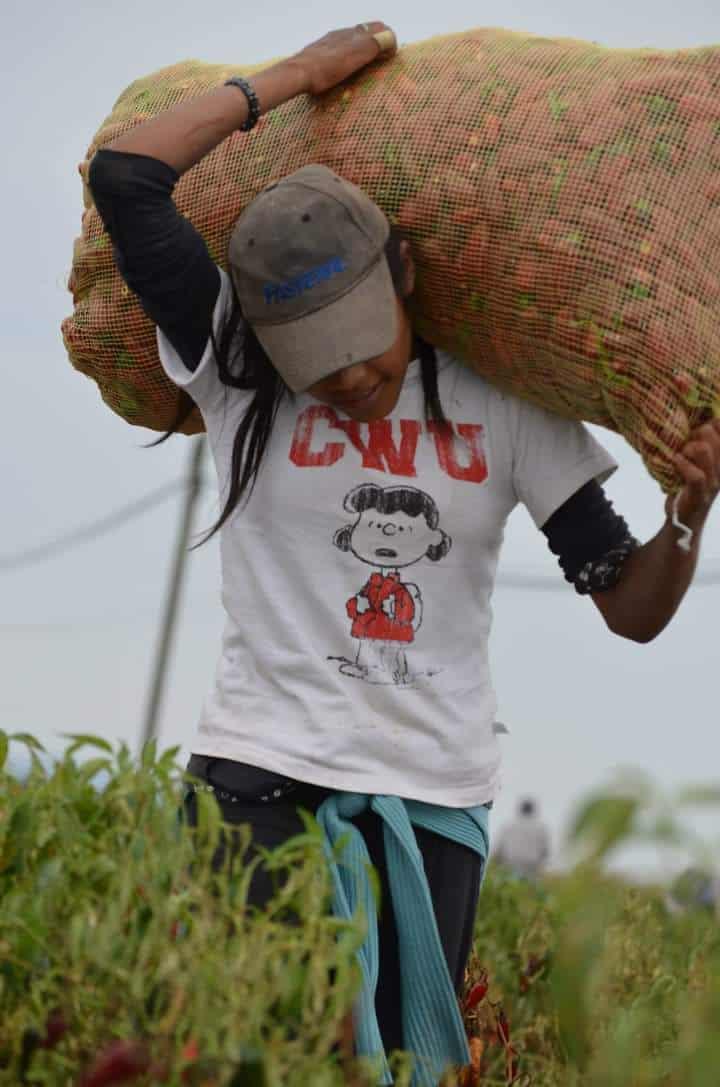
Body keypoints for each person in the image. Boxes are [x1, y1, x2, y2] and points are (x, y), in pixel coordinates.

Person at [87, 21, 720, 1086]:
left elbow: (631, 604)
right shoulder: (236, 372)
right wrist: (296, 81)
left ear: (407, 273)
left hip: (433, 806)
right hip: (256, 780)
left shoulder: (506, 411)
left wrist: (690, 512)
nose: (343, 381)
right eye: (316, 362)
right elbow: (128, 177)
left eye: (361, 346)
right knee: (244, 1060)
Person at [494, 798, 551, 880]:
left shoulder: (509, 826)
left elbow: (498, 850)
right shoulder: (541, 828)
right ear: (533, 810)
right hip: (532, 865)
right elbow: (546, 851)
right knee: (529, 889)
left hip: (511, 864)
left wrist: (496, 864)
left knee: (512, 888)